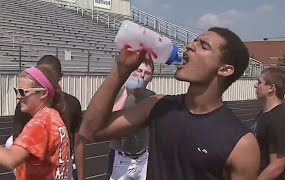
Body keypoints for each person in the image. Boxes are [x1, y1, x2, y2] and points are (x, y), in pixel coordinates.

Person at [80, 27, 260, 179]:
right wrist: (121, 70)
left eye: (203, 46)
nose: (189, 45)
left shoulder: (242, 144)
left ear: (225, 70)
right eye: (194, 41)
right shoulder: (157, 105)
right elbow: (90, 131)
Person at [11, 55, 85, 180]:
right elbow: (16, 139)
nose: (19, 96)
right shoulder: (52, 115)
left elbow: (78, 143)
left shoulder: (43, 120)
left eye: (23, 91)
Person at [0, 65, 71, 179]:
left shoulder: (39, 124)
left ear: (43, 93)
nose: (18, 96)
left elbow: (11, 159)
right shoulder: (54, 117)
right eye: (16, 91)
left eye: (23, 92)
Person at [107, 59, 155, 180]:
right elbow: (109, 120)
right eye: (139, 70)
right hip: (120, 156)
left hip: (143, 157)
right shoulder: (117, 93)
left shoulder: (151, 96)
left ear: (151, 77)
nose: (142, 75)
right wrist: (126, 94)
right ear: (132, 72)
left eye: (147, 73)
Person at [252, 67, 285, 179]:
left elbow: (277, 166)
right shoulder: (265, 114)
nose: (255, 85)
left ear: (271, 88)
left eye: (260, 82)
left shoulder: (279, 120)